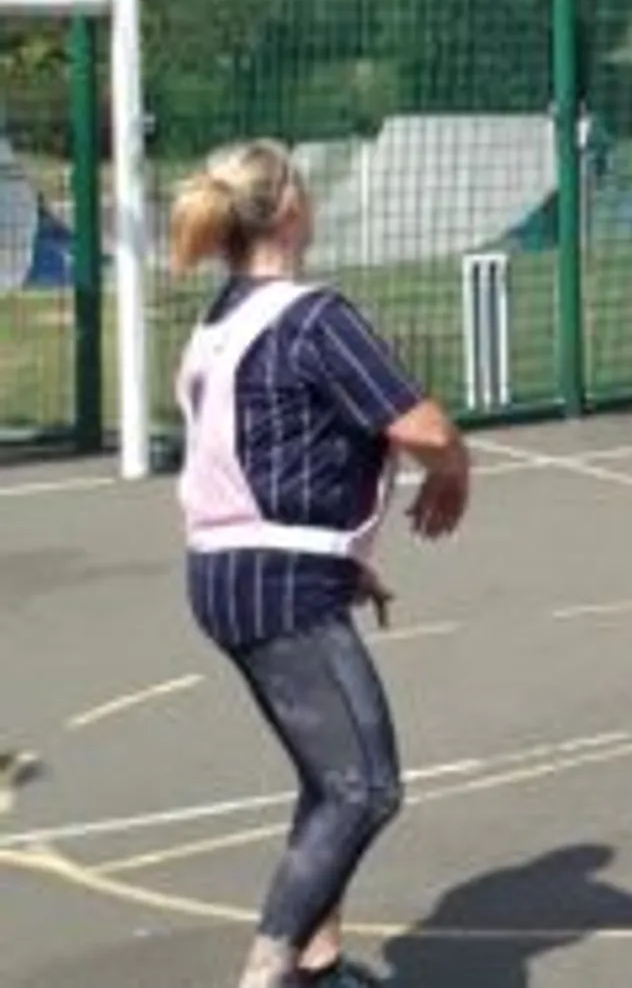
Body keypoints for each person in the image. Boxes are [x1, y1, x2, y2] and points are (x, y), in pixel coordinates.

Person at [167, 139, 472, 988]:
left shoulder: (222, 318)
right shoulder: (311, 315)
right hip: (277, 583)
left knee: (323, 775)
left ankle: (319, 957)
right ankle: (269, 972)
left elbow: (251, 454)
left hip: (230, 569)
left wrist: (341, 555)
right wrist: (457, 471)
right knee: (364, 787)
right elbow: (424, 428)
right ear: (292, 207)